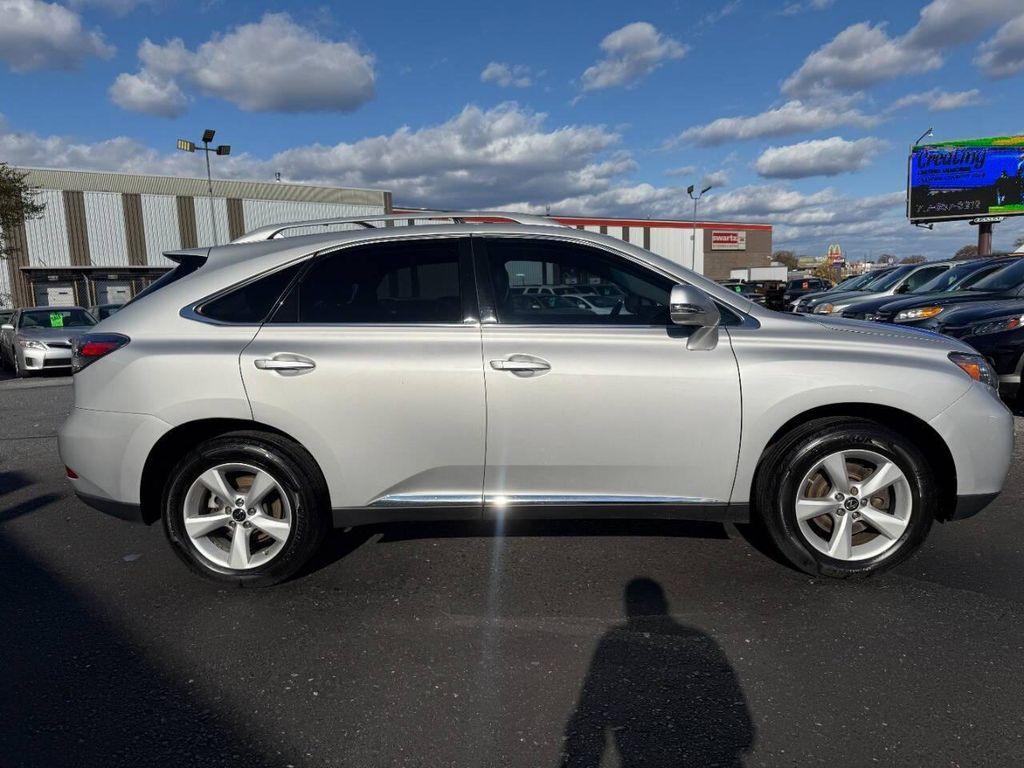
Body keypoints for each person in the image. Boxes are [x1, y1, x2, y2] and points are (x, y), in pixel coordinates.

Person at [560, 578, 754, 767]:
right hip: (703, 753)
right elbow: (727, 694)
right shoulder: (696, 640)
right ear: (664, 605)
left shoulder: (617, 644)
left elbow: (592, 707)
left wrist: (580, 757)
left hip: (647, 755)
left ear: (630, 610)